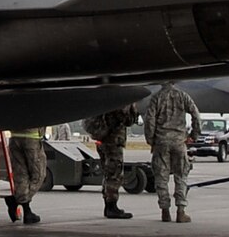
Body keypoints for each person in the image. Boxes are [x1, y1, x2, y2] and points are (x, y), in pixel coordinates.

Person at [144, 81, 200, 223]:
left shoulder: (156, 98)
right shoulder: (183, 96)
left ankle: (165, 211)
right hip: (179, 142)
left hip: (161, 142)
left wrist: (151, 139)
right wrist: (194, 135)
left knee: (161, 178)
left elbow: (149, 120)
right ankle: (181, 211)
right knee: (181, 176)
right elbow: (196, 115)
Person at [83, 103, 138, 219]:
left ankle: (108, 205)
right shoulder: (120, 100)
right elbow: (127, 119)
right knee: (114, 173)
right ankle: (112, 207)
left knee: (108, 173)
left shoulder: (104, 99)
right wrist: (133, 110)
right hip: (113, 140)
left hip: (102, 139)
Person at [4, 126, 46, 224]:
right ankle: (16, 201)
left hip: (15, 137)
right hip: (31, 138)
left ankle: (27, 211)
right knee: (39, 175)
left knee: (21, 176)